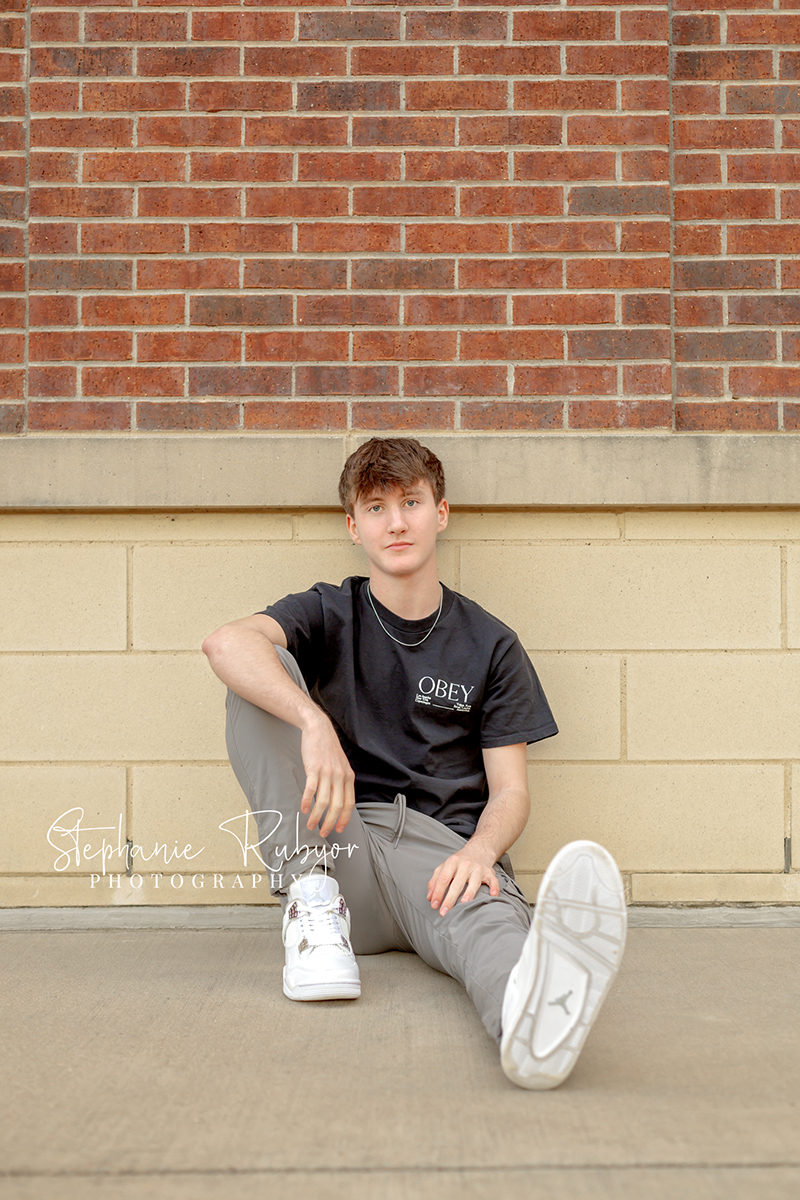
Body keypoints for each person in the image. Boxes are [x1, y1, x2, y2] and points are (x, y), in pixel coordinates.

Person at [202, 436, 626, 1090]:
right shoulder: (330, 611)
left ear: (441, 513)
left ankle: (530, 1020)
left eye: (411, 503)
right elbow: (225, 643)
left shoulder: (491, 644)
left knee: (488, 924)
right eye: (376, 508)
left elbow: (511, 792)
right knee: (260, 672)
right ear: (354, 527)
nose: (395, 522)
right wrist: (313, 722)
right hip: (339, 849)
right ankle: (311, 913)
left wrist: (480, 852)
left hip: (442, 858)